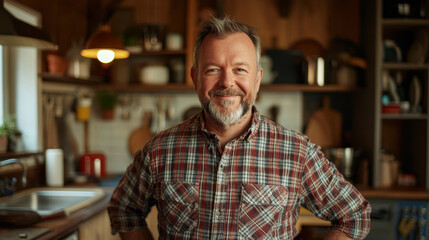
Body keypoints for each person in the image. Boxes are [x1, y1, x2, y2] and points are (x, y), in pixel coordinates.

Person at [108, 17, 371, 240]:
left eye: (240, 69)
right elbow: (124, 208)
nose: (227, 81)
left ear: (257, 80)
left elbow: (354, 215)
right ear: (195, 78)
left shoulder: (297, 153)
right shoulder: (159, 150)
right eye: (213, 69)